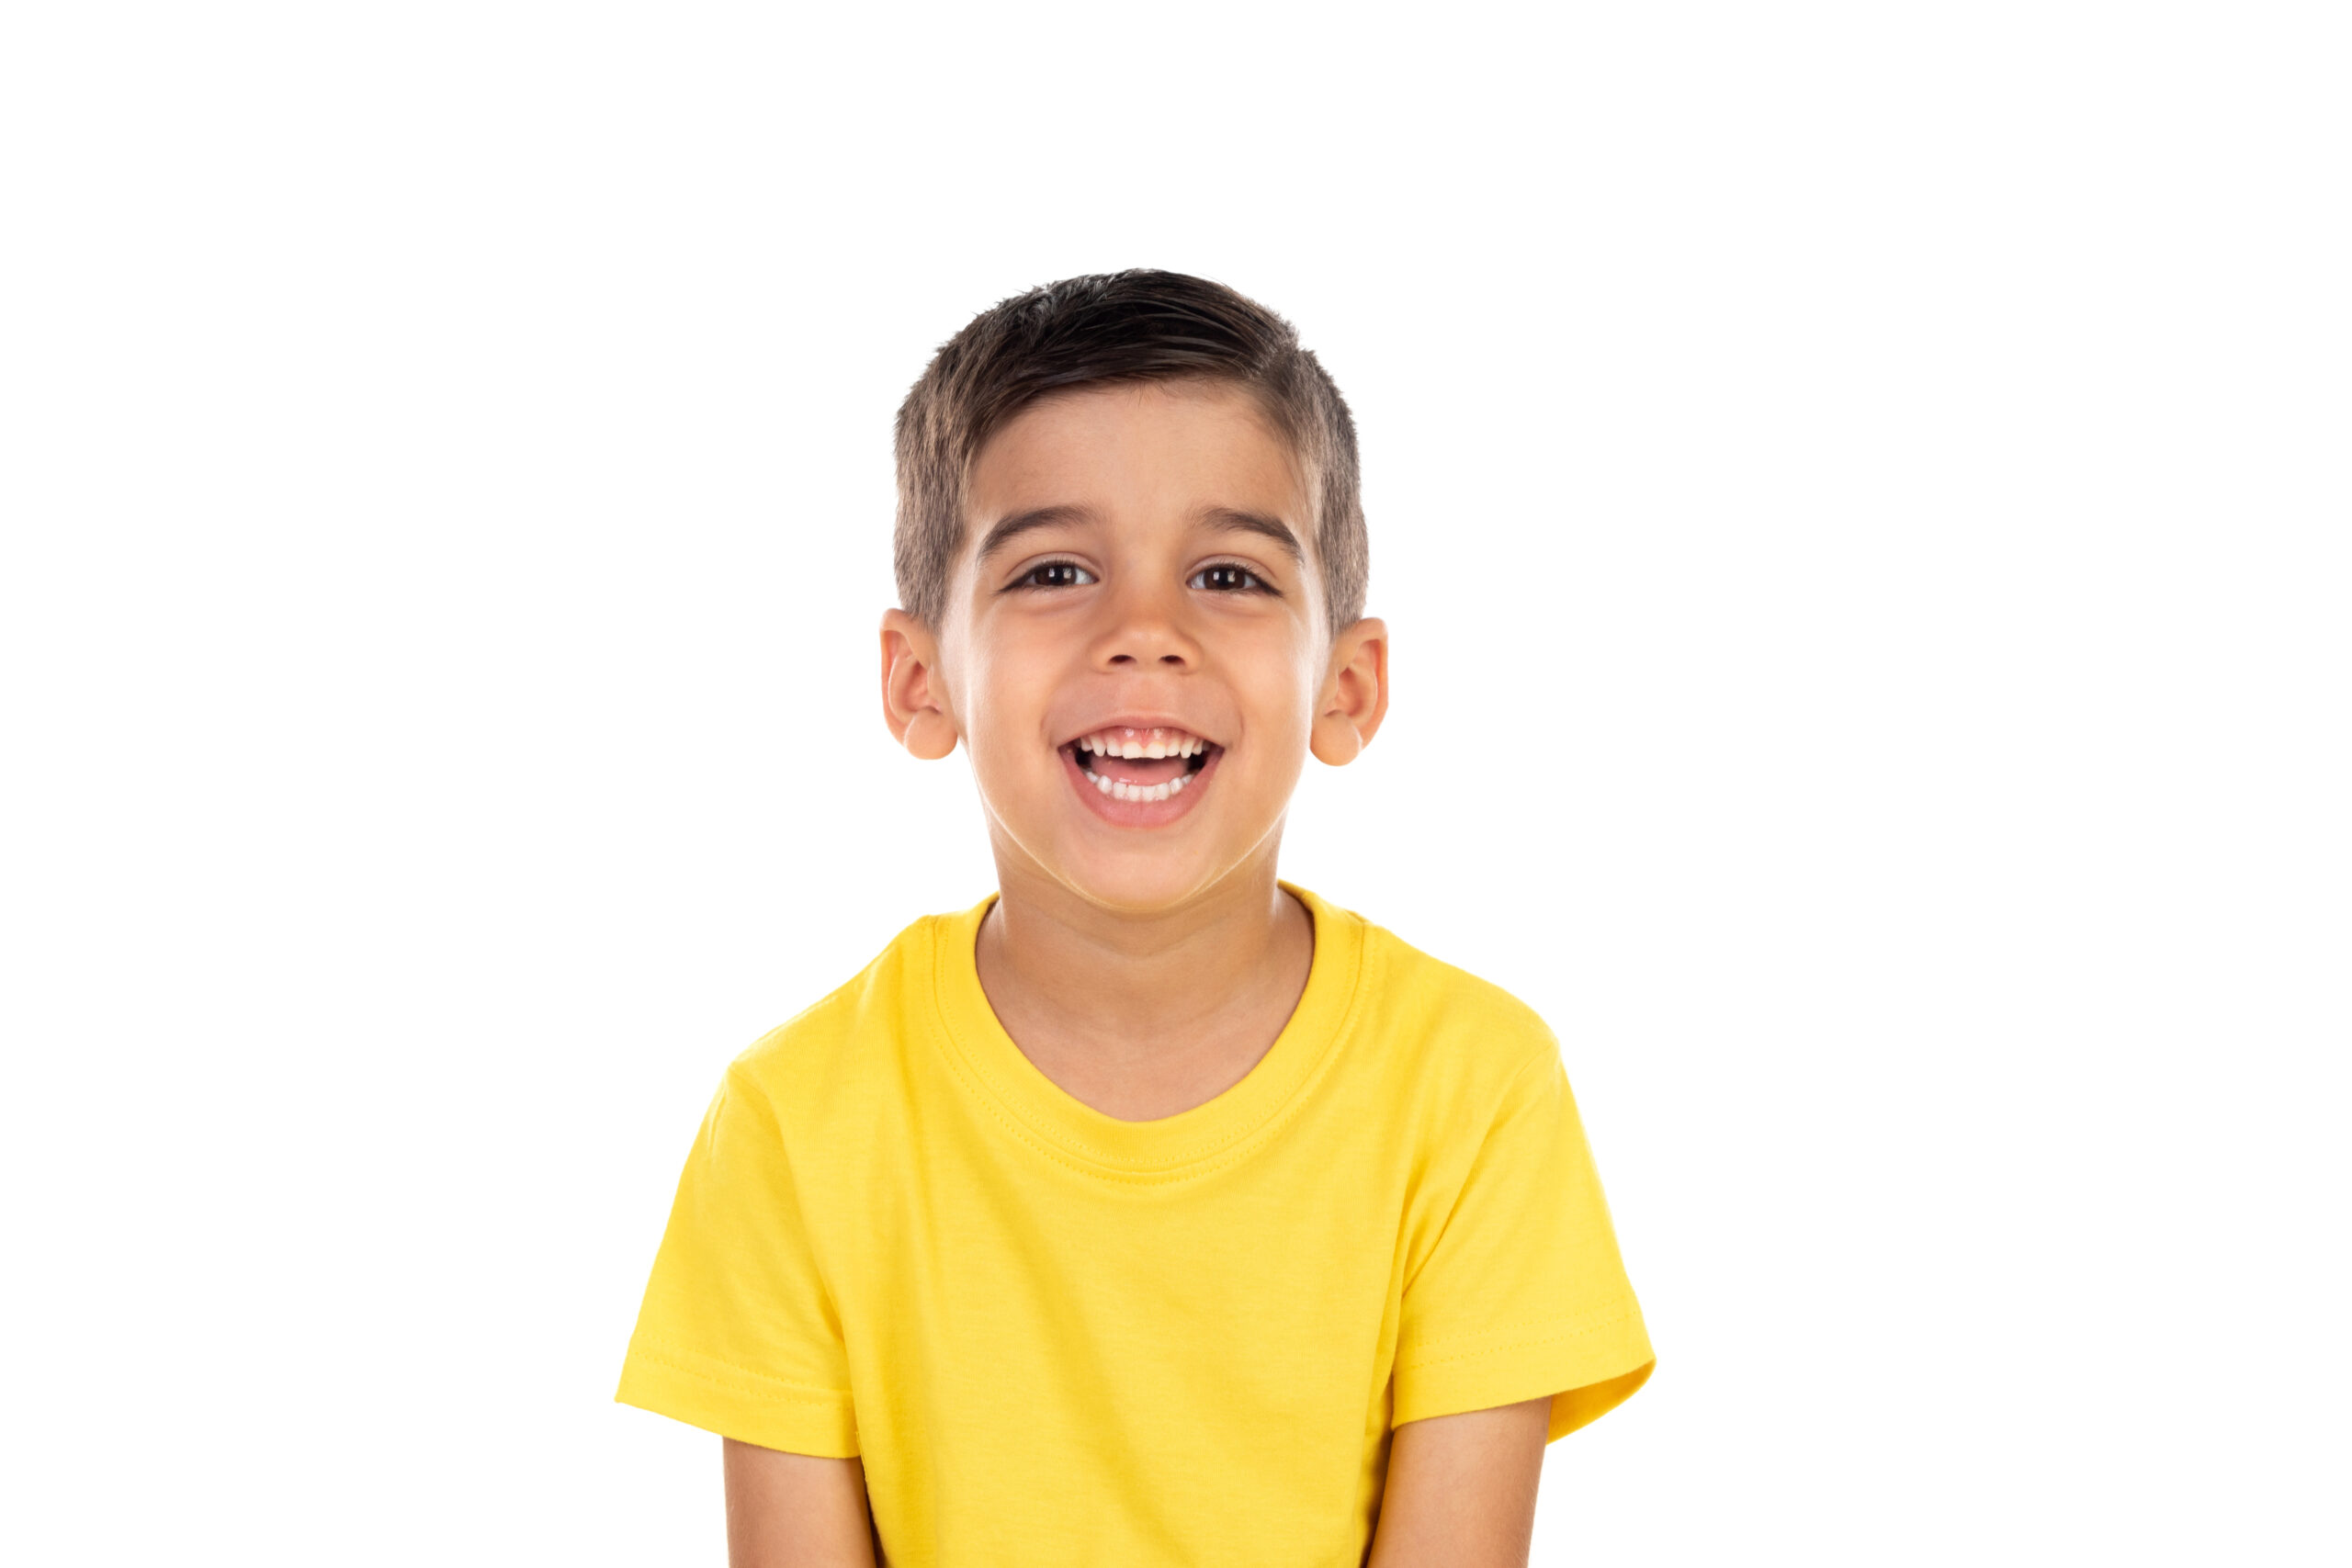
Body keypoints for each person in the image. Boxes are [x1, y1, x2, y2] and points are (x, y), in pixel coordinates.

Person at [616, 270, 1654, 1567]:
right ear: (920, 680)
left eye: (1227, 574)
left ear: (1345, 689)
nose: (1146, 634)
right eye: (1056, 571)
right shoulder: (794, 1120)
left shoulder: (1478, 1090)